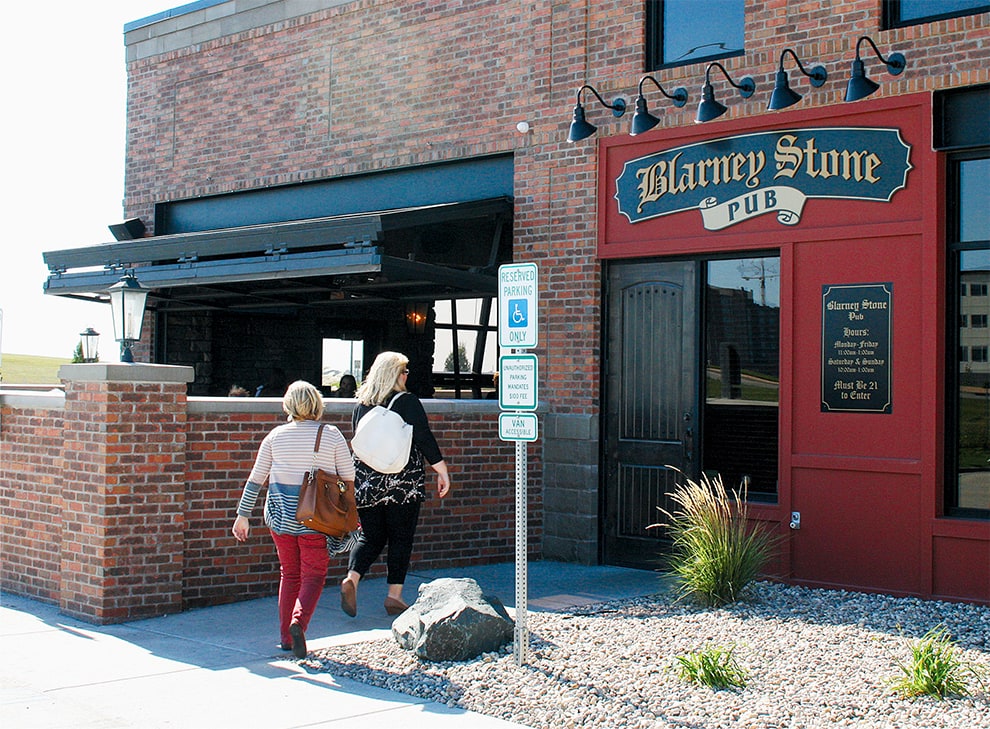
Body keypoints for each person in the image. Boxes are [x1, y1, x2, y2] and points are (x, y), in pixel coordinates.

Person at [231, 380, 354, 658]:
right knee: (314, 575)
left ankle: (286, 637)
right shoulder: (331, 434)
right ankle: (299, 622)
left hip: (281, 519)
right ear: (317, 404)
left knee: (289, 574)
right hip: (317, 519)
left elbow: (255, 480)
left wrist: (243, 515)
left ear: (289, 405)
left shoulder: (275, 436)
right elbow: (349, 477)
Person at [340, 351, 450, 618]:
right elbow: (424, 437)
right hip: (403, 483)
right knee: (401, 538)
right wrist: (442, 471)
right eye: (405, 371)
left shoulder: (361, 405)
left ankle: (352, 579)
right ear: (395, 375)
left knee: (370, 536)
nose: (407, 376)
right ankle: (394, 596)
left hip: (368, 482)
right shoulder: (408, 402)